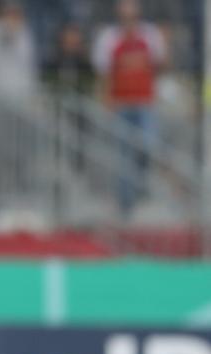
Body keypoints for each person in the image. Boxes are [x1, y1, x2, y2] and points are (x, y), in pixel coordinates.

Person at [92, 0, 166, 215]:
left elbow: (160, 65)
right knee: (123, 155)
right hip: (122, 103)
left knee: (147, 147)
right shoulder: (109, 37)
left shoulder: (151, 35)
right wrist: (106, 98)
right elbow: (104, 72)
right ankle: (126, 204)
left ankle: (141, 190)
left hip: (145, 102)